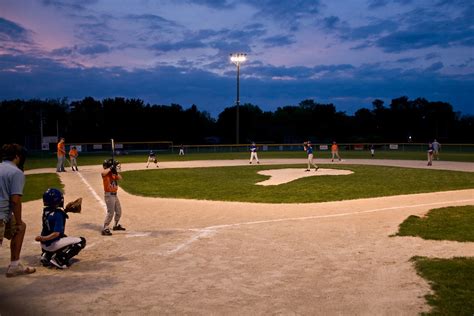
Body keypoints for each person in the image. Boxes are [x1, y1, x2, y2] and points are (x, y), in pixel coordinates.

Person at [0, 144, 36, 277]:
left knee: (21, 226)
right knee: (21, 227)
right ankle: (14, 266)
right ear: (16, 157)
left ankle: (15, 265)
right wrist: (19, 221)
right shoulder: (16, 172)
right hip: (1, 215)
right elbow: (15, 200)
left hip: (5, 215)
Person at [35, 188, 86, 269]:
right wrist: (43, 238)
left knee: (64, 236)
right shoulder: (59, 214)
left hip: (44, 245)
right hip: (51, 243)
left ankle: (46, 255)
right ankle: (59, 260)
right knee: (81, 241)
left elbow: (53, 216)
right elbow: (56, 234)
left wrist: (66, 210)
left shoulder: (46, 211)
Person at [101, 159, 125, 236]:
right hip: (109, 195)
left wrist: (115, 172)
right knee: (110, 212)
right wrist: (111, 168)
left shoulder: (113, 173)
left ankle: (116, 225)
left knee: (119, 211)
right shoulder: (105, 174)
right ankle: (105, 228)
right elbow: (103, 172)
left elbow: (120, 178)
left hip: (115, 195)